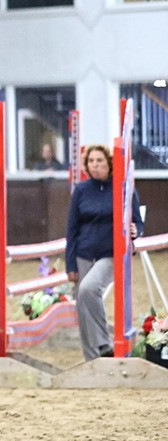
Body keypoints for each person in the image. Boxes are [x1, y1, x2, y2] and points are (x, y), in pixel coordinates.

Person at [65, 144, 143, 360]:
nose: (95, 165)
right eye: (91, 161)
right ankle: (92, 361)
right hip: (82, 252)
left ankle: (103, 344)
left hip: (110, 253)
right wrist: (70, 264)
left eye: (99, 160)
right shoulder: (81, 190)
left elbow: (138, 220)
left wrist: (137, 231)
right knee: (82, 306)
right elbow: (71, 229)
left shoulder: (124, 188)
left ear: (109, 163)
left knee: (89, 289)